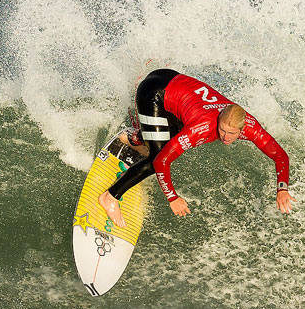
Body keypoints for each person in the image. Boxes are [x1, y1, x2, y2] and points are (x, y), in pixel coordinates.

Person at [99, 68, 294, 228]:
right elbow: (162, 162)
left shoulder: (250, 125)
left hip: (171, 82)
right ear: (219, 119)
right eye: (222, 130)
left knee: (168, 142)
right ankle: (110, 196)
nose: (225, 137)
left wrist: (282, 188)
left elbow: (280, 156)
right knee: (154, 161)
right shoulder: (201, 128)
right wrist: (172, 197)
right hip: (154, 93)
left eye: (232, 133)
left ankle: (135, 139)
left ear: (242, 129)